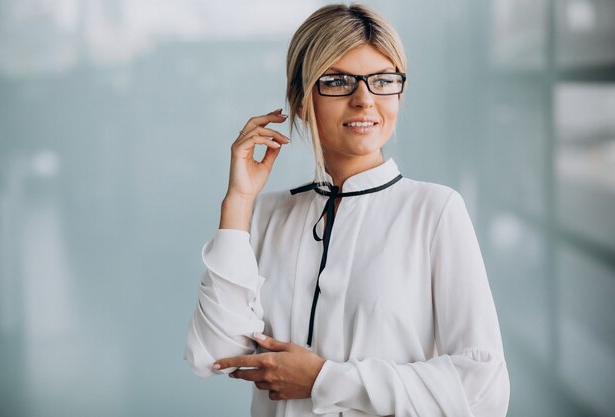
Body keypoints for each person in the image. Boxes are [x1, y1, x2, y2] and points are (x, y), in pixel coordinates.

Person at [185, 4, 510, 417]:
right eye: (337, 81)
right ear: (301, 100)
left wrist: (324, 379)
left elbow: (485, 389)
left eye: (383, 81)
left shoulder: (435, 211)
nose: (364, 100)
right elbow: (214, 354)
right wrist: (238, 202)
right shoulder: (267, 213)